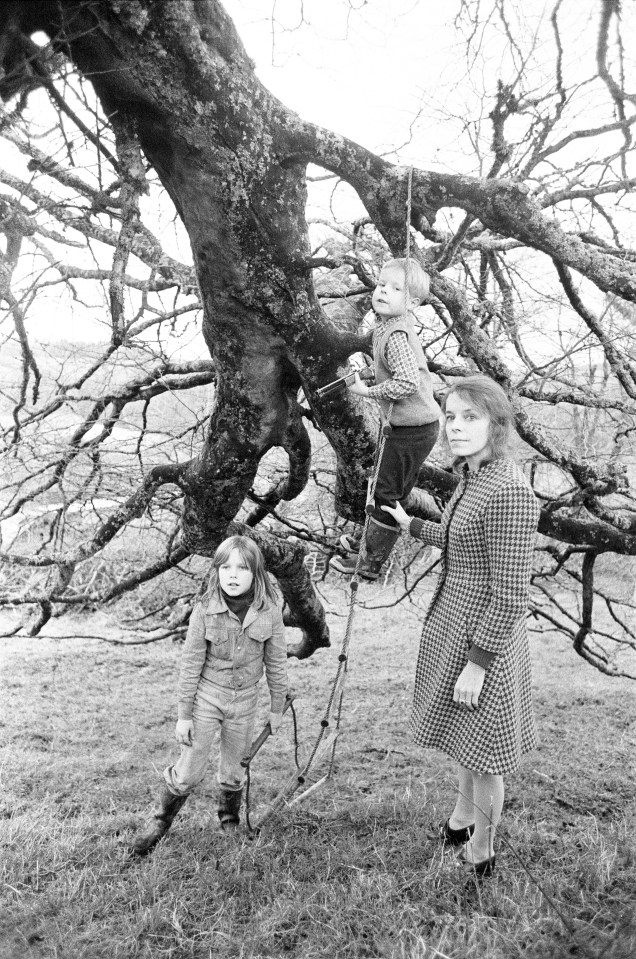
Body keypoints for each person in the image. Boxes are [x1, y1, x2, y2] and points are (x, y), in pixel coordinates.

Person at [382, 375, 539, 877]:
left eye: (470, 417)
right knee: (466, 739)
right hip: (456, 628)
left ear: (496, 424)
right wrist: (410, 523)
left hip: (484, 641)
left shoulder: (510, 491)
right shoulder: (473, 478)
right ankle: (461, 818)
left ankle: (482, 851)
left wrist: (478, 664)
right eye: (450, 416)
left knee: (486, 752)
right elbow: (457, 539)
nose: (455, 426)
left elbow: (511, 594)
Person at [132, 535, 288, 855]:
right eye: (226, 567)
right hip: (207, 697)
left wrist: (276, 708)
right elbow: (190, 665)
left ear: (255, 573)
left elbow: (277, 663)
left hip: (245, 701)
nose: (233, 575)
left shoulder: (269, 611)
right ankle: (160, 821)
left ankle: (229, 818)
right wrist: (184, 715)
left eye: (242, 568)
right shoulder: (204, 609)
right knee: (189, 769)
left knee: (235, 767)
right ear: (216, 570)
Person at [331, 257, 441, 580]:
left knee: (384, 491)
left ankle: (369, 562)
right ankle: (368, 543)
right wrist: (365, 372)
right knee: (386, 486)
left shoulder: (395, 334)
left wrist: (366, 392)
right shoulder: (383, 328)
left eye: (395, 289)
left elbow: (407, 382)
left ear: (411, 303)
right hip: (412, 427)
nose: (383, 292)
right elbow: (390, 367)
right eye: (381, 285)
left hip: (413, 429)